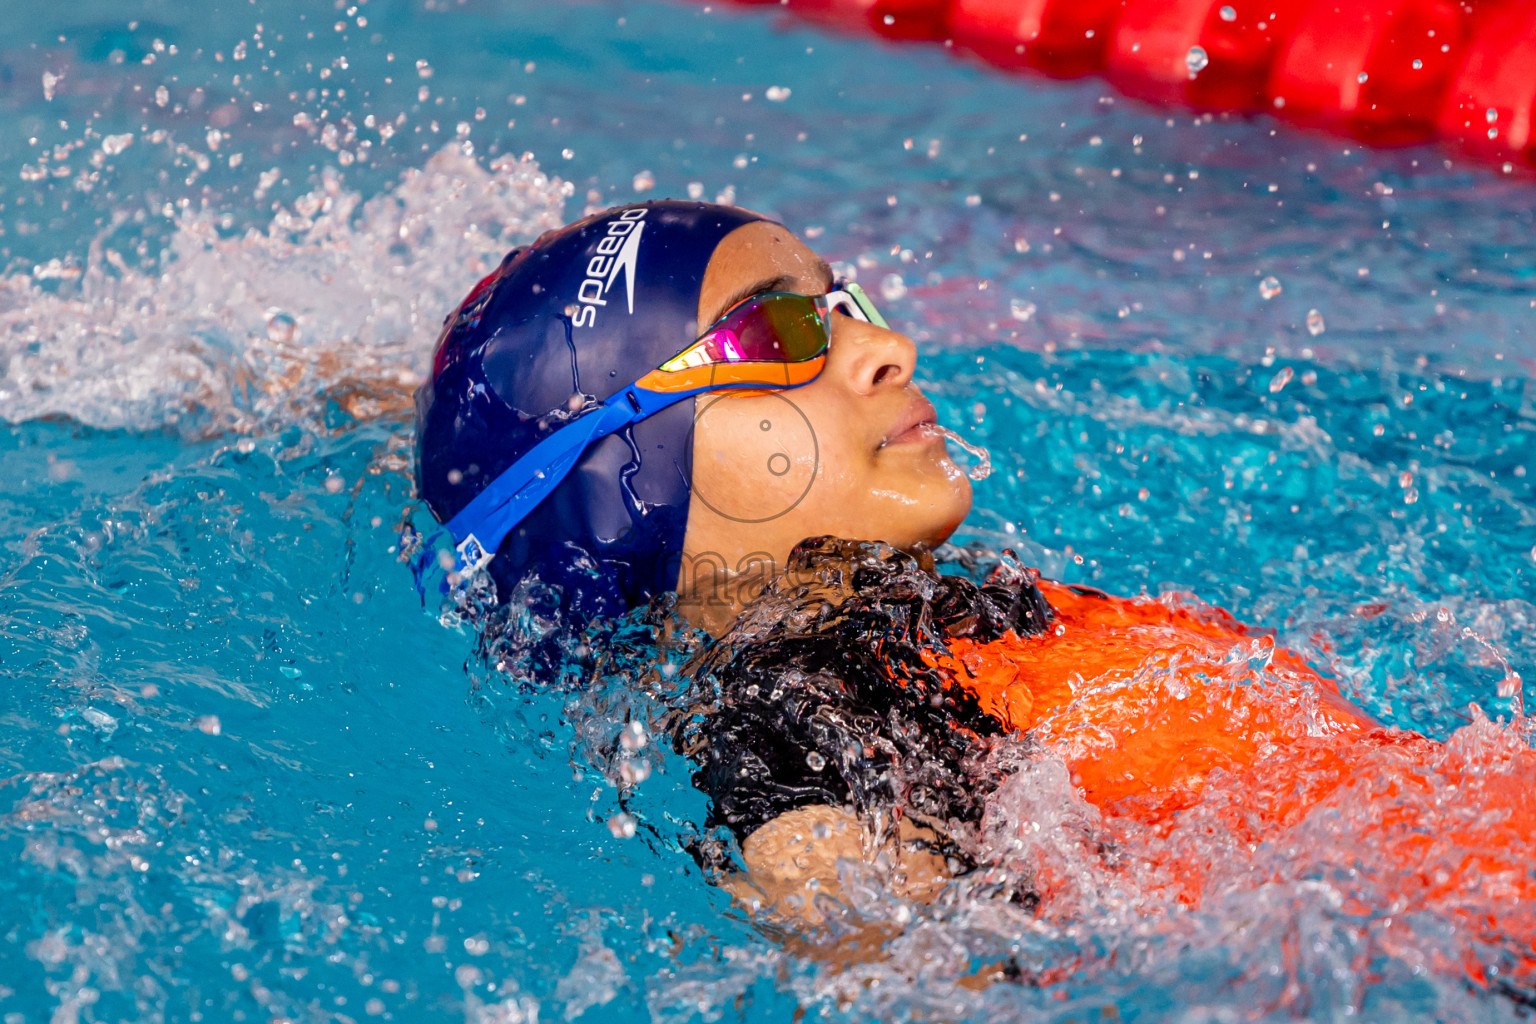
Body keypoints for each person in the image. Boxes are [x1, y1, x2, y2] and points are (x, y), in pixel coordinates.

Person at [416, 201, 1536, 990]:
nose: (888, 346)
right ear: (628, 482)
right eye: (779, 332)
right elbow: (867, 930)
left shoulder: (916, 614)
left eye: (842, 302)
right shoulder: (786, 718)